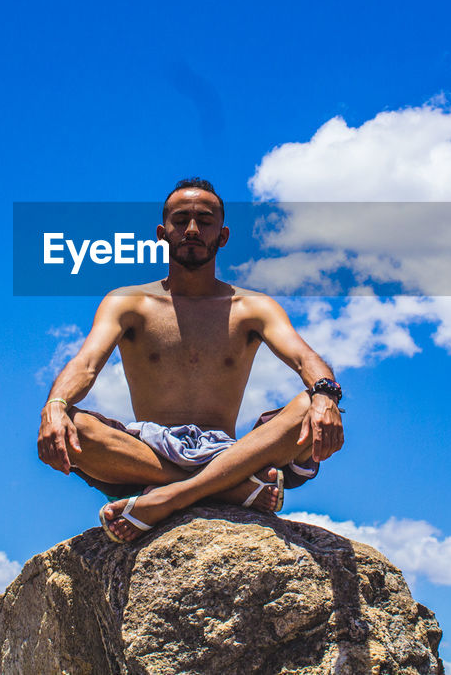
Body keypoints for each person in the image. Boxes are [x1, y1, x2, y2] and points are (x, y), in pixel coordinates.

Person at [37, 177, 345, 543]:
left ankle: (170, 496)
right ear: (161, 232)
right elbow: (86, 363)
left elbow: (304, 357)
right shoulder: (128, 302)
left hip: (229, 450)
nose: (193, 229)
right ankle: (227, 488)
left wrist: (326, 397)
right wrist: (54, 407)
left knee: (311, 403)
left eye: (205, 220)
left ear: (224, 235)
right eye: (181, 220)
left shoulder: (253, 308)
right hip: (147, 452)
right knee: (74, 425)